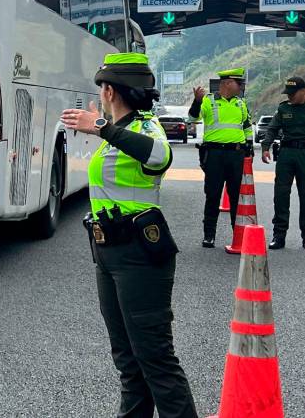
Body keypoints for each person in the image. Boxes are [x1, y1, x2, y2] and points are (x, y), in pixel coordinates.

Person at [62, 53, 197, 418]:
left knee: (155, 359)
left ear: (109, 91)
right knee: (127, 360)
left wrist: (102, 126)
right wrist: (105, 129)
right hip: (107, 252)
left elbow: (160, 156)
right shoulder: (117, 133)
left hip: (139, 253)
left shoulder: (144, 127)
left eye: (102, 88)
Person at [188, 69, 253, 248]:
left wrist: (249, 150)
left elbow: (247, 127)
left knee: (235, 197)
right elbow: (192, 118)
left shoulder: (241, 104)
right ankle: (209, 235)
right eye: (237, 83)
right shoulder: (208, 101)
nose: (241, 86)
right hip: (215, 154)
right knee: (213, 195)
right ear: (226, 83)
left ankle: (237, 235)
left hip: (236, 155)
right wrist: (197, 101)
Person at [262, 76, 305, 249]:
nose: (290, 96)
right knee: (280, 195)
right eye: (288, 93)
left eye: (293, 94)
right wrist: (265, 146)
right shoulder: (283, 108)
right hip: (286, 154)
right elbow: (272, 128)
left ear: (303, 91)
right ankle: (279, 235)